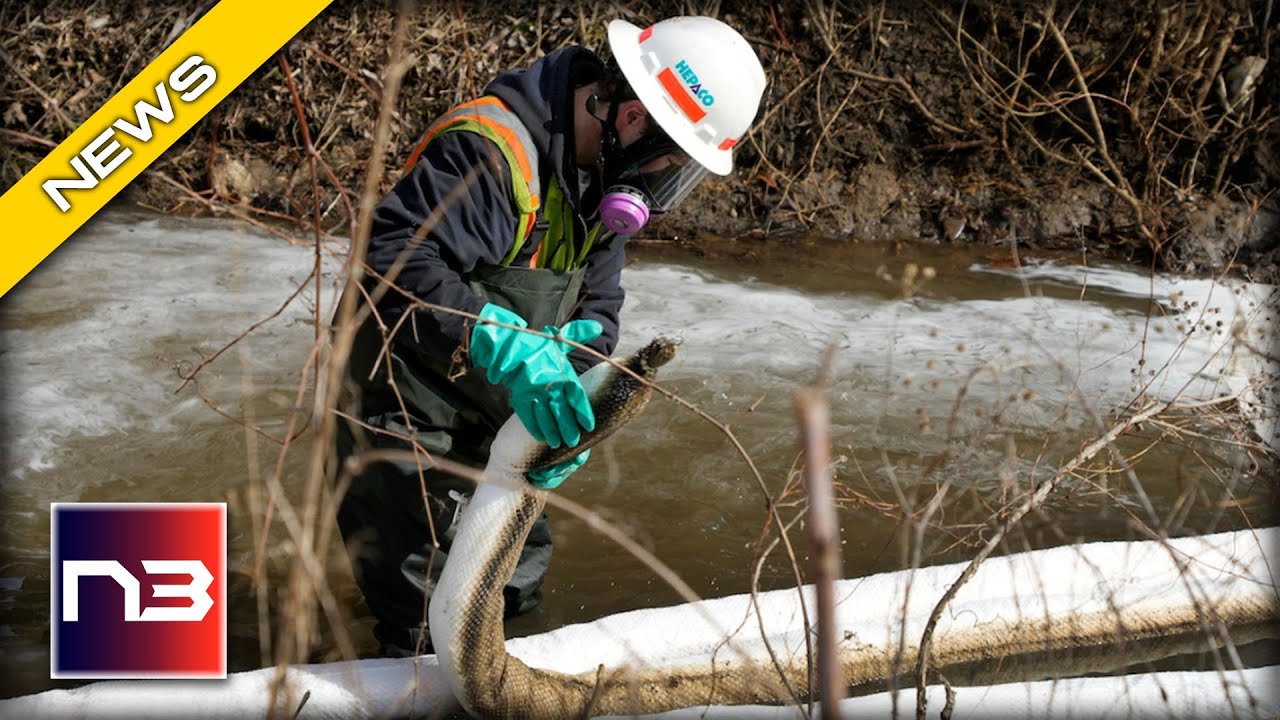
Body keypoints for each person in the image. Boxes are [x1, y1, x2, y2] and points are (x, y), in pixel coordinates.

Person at [334, 15, 767, 657]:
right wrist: (494, 338)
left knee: (512, 592)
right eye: (668, 162)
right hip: (409, 402)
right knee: (424, 622)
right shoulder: (492, 150)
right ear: (632, 119)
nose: (663, 184)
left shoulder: (608, 177)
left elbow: (599, 302)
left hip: (504, 406)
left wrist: (579, 390)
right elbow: (391, 259)